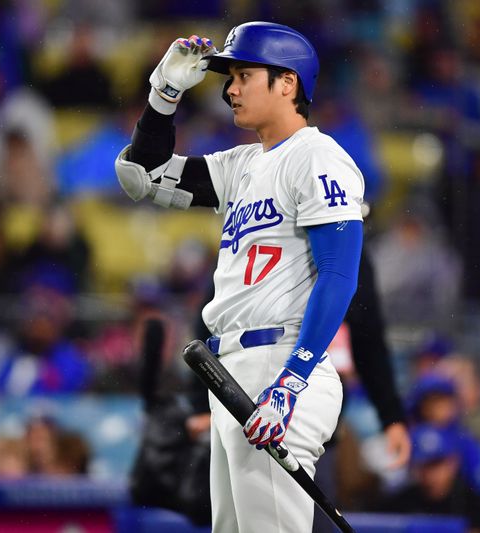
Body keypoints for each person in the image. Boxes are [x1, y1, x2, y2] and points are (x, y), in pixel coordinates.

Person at [115, 22, 367, 532]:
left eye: (244, 74)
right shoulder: (243, 164)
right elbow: (140, 176)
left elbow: (339, 276)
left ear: (288, 83)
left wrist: (288, 385)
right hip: (232, 373)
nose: (230, 88)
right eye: (229, 76)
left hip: (281, 367)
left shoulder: (318, 156)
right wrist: (163, 96)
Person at [376, 424, 480, 533]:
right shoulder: (400, 501)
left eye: (436, 464)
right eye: (424, 465)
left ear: (453, 463)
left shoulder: (470, 500)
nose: (431, 473)